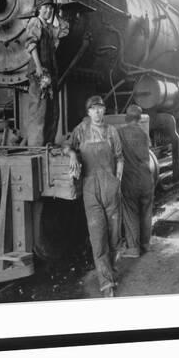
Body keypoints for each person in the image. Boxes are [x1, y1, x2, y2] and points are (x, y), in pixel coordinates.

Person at [65, 95, 124, 297]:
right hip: (91, 190)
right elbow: (68, 146)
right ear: (88, 112)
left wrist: (117, 182)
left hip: (110, 189)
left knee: (114, 237)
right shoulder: (81, 130)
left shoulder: (112, 132)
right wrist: (72, 154)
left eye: (100, 108)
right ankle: (106, 283)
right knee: (98, 238)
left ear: (104, 111)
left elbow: (120, 158)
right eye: (93, 109)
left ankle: (112, 271)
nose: (97, 112)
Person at [25, 0, 69, 146]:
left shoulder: (49, 28)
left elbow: (64, 30)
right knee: (39, 108)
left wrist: (57, 14)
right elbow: (31, 45)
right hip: (40, 71)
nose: (48, 10)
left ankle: (48, 143)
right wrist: (38, 67)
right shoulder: (35, 22)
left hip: (50, 72)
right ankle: (36, 146)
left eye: (51, 8)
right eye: (45, 7)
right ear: (39, 9)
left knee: (52, 109)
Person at [118, 104, 155, 258]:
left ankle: (133, 249)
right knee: (146, 212)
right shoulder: (144, 133)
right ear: (139, 118)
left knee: (131, 212)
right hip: (147, 179)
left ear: (127, 117)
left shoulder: (120, 132)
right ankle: (145, 245)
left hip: (130, 179)